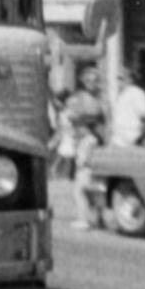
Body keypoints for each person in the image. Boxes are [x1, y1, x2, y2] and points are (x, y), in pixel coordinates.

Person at [64, 63, 107, 229]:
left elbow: (75, 118)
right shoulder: (100, 101)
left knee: (81, 185)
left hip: (86, 142)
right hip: (95, 142)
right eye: (90, 80)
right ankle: (99, 217)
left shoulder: (80, 99)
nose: (92, 83)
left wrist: (77, 119)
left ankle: (83, 219)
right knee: (94, 182)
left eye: (94, 80)